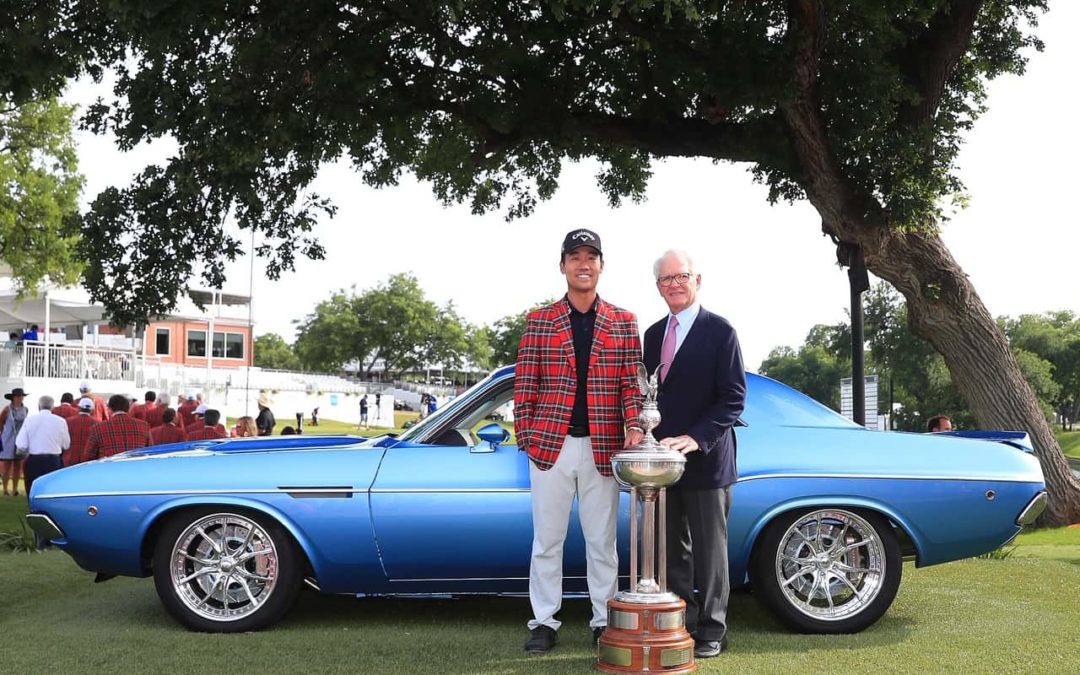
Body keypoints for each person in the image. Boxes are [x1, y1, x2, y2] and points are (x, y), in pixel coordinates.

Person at [514, 228, 644, 654]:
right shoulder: (540, 320)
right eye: (575, 256)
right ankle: (544, 623)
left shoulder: (624, 321)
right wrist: (528, 439)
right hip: (550, 447)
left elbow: (631, 384)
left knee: (601, 543)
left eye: (591, 256)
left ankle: (603, 620)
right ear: (563, 265)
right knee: (547, 541)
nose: (583, 264)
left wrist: (635, 426)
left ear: (602, 265)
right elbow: (525, 385)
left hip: (604, 448)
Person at [643, 249, 746, 659]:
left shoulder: (720, 332)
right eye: (666, 279)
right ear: (658, 287)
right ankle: (681, 624)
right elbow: (648, 395)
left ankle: (713, 630)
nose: (674, 284)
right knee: (672, 553)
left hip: (707, 461)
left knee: (710, 553)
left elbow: (733, 399)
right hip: (664, 466)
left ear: (697, 280)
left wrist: (695, 438)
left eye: (681, 276)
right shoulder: (651, 335)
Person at [15, 396, 70, 506]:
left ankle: (34, 509)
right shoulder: (61, 421)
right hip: (54, 461)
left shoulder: (30, 420)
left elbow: (21, 444)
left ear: (39, 406)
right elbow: (66, 444)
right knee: (53, 489)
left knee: (33, 489)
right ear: (52, 407)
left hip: (34, 460)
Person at [82, 394, 153, 459]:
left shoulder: (97, 428)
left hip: (108, 469)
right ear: (128, 408)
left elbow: (88, 456)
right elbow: (151, 451)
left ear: (110, 408)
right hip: (136, 469)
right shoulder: (144, 426)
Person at [0, 387, 31, 497]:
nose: (20, 398)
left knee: (18, 466)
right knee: (7, 465)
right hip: (8, 440)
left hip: (20, 440)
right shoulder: (6, 409)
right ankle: (4, 489)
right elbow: (1, 423)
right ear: (13, 398)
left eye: (21, 396)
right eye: (18, 396)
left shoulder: (25, 409)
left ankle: (15, 489)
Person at [65, 398, 100, 466]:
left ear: (79, 407)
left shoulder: (67, 421)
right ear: (91, 410)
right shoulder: (97, 423)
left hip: (70, 459)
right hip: (88, 461)